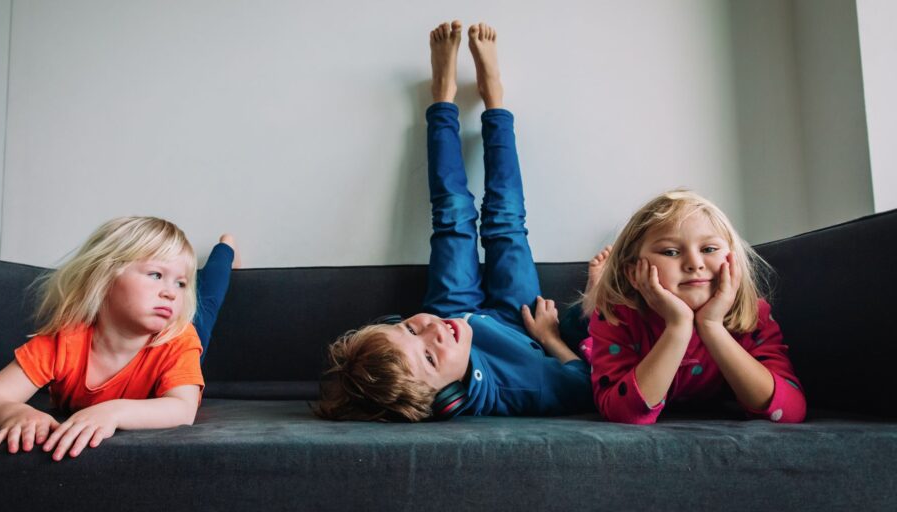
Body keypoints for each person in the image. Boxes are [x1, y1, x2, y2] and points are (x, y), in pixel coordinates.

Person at [314, 21, 593, 422]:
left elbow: (434, 328)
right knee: (506, 219)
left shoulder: (440, 322)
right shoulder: (523, 384)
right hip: (520, 323)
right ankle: (494, 99)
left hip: (456, 306)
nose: (432, 330)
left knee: (451, 213)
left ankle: (441, 97)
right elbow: (584, 385)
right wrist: (549, 338)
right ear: (447, 399)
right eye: (428, 356)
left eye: (409, 330)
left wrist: (431, 339)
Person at [0, 216, 235, 460]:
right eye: (156, 275)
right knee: (206, 301)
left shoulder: (180, 338)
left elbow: (182, 409)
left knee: (207, 302)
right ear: (104, 278)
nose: (172, 293)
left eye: (181, 283)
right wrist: (15, 414)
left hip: (174, 334)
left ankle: (226, 248)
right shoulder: (65, 342)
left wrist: (113, 412)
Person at [582, 190, 806, 424]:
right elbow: (623, 413)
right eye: (671, 252)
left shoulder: (754, 314)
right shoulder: (617, 316)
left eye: (709, 249)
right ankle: (567, 328)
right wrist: (678, 326)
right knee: (584, 353)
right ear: (634, 273)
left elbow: (789, 411)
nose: (695, 264)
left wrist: (712, 326)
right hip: (602, 338)